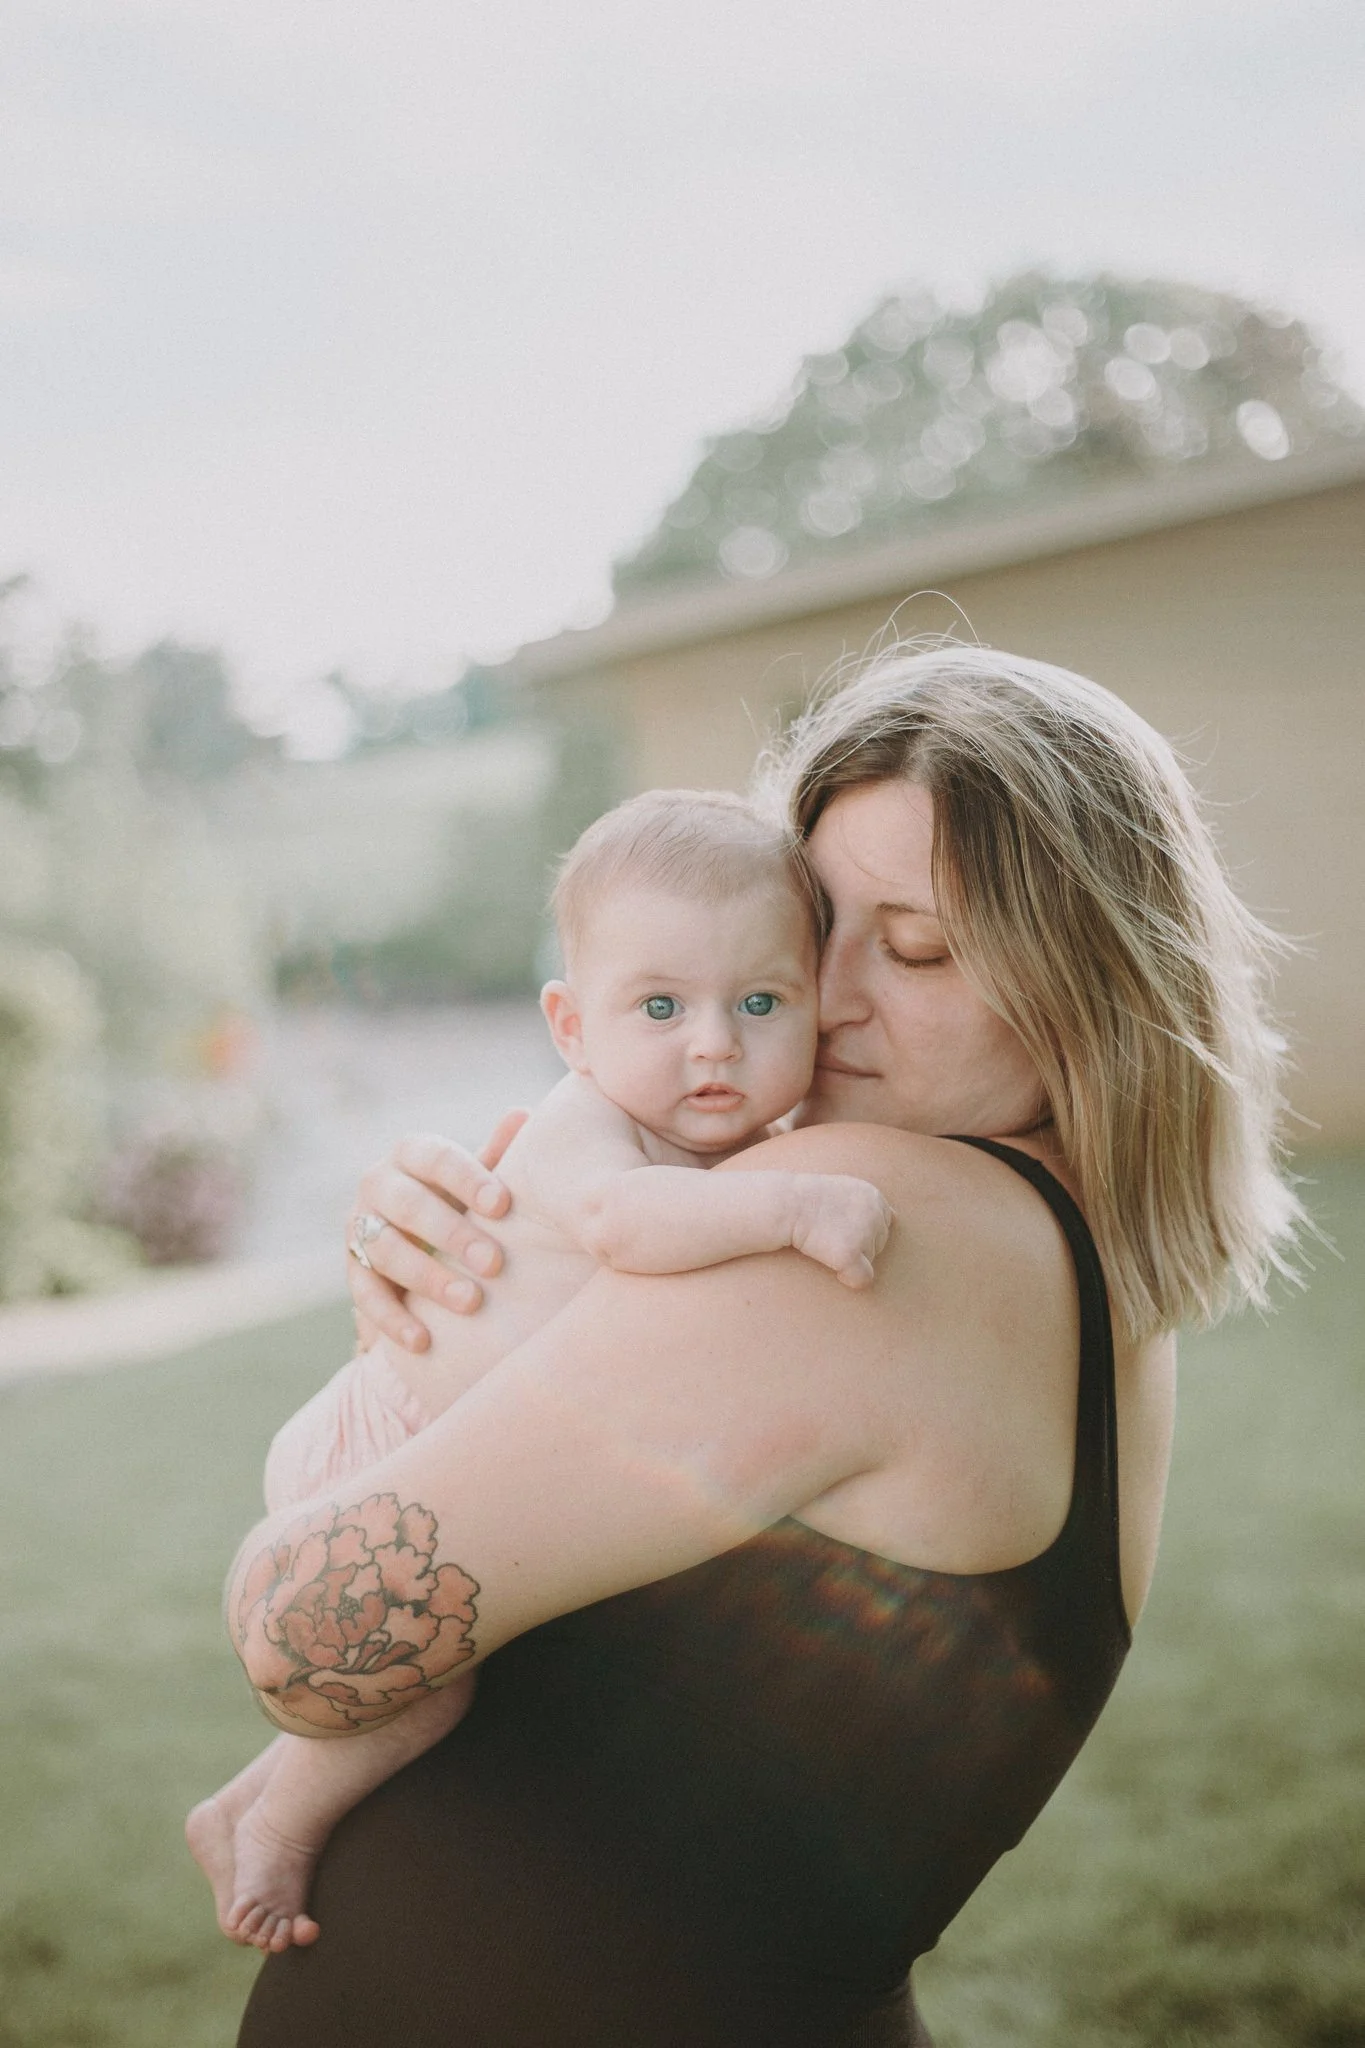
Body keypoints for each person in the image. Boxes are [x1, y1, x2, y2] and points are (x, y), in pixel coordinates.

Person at [230, 643, 1298, 2048]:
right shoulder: (1068, 1262)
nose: (827, 997)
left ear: (1091, 979)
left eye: (914, 948)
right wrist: (454, 1243)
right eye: (808, 935)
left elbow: (305, 1639)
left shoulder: (887, 1221)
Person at [188, 790, 893, 1952]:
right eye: (660, 1005)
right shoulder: (589, 1130)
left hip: (441, 1429)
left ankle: (247, 1795)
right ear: (571, 1026)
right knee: (429, 1687)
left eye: (761, 1002)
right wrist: (792, 1204)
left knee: (434, 1678)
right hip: (386, 1431)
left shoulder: (718, 1133)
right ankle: (273, 1825)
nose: (714, 1041)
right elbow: (627, 1225)